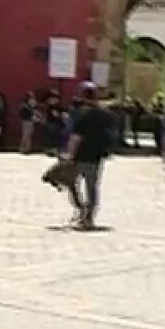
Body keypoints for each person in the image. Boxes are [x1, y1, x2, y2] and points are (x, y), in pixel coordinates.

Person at [63, 82, 115, 230]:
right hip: (96, 156)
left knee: (70, 183)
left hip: (79, 155)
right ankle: (89, 216)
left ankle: (80, 209)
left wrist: (69, 154)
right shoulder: (104, 115)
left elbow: (76, 137)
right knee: (92, 187)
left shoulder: (80, 114)